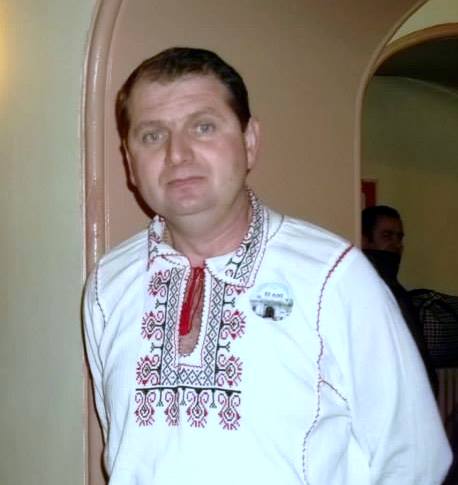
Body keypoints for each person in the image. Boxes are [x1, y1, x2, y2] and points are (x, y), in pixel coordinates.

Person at [83, 47, 451, 485]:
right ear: (129, 163)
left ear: (250, 142)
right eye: (151, 135)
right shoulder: (108, 284)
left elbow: (414, 458)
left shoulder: (333, 277)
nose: (177, 154)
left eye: (203, 127)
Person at [361, 205, 439, 395]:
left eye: (399, 237)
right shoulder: (367, 289)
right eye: (387, 236)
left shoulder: (395, 289)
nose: (396, 244)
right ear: (365, 240)